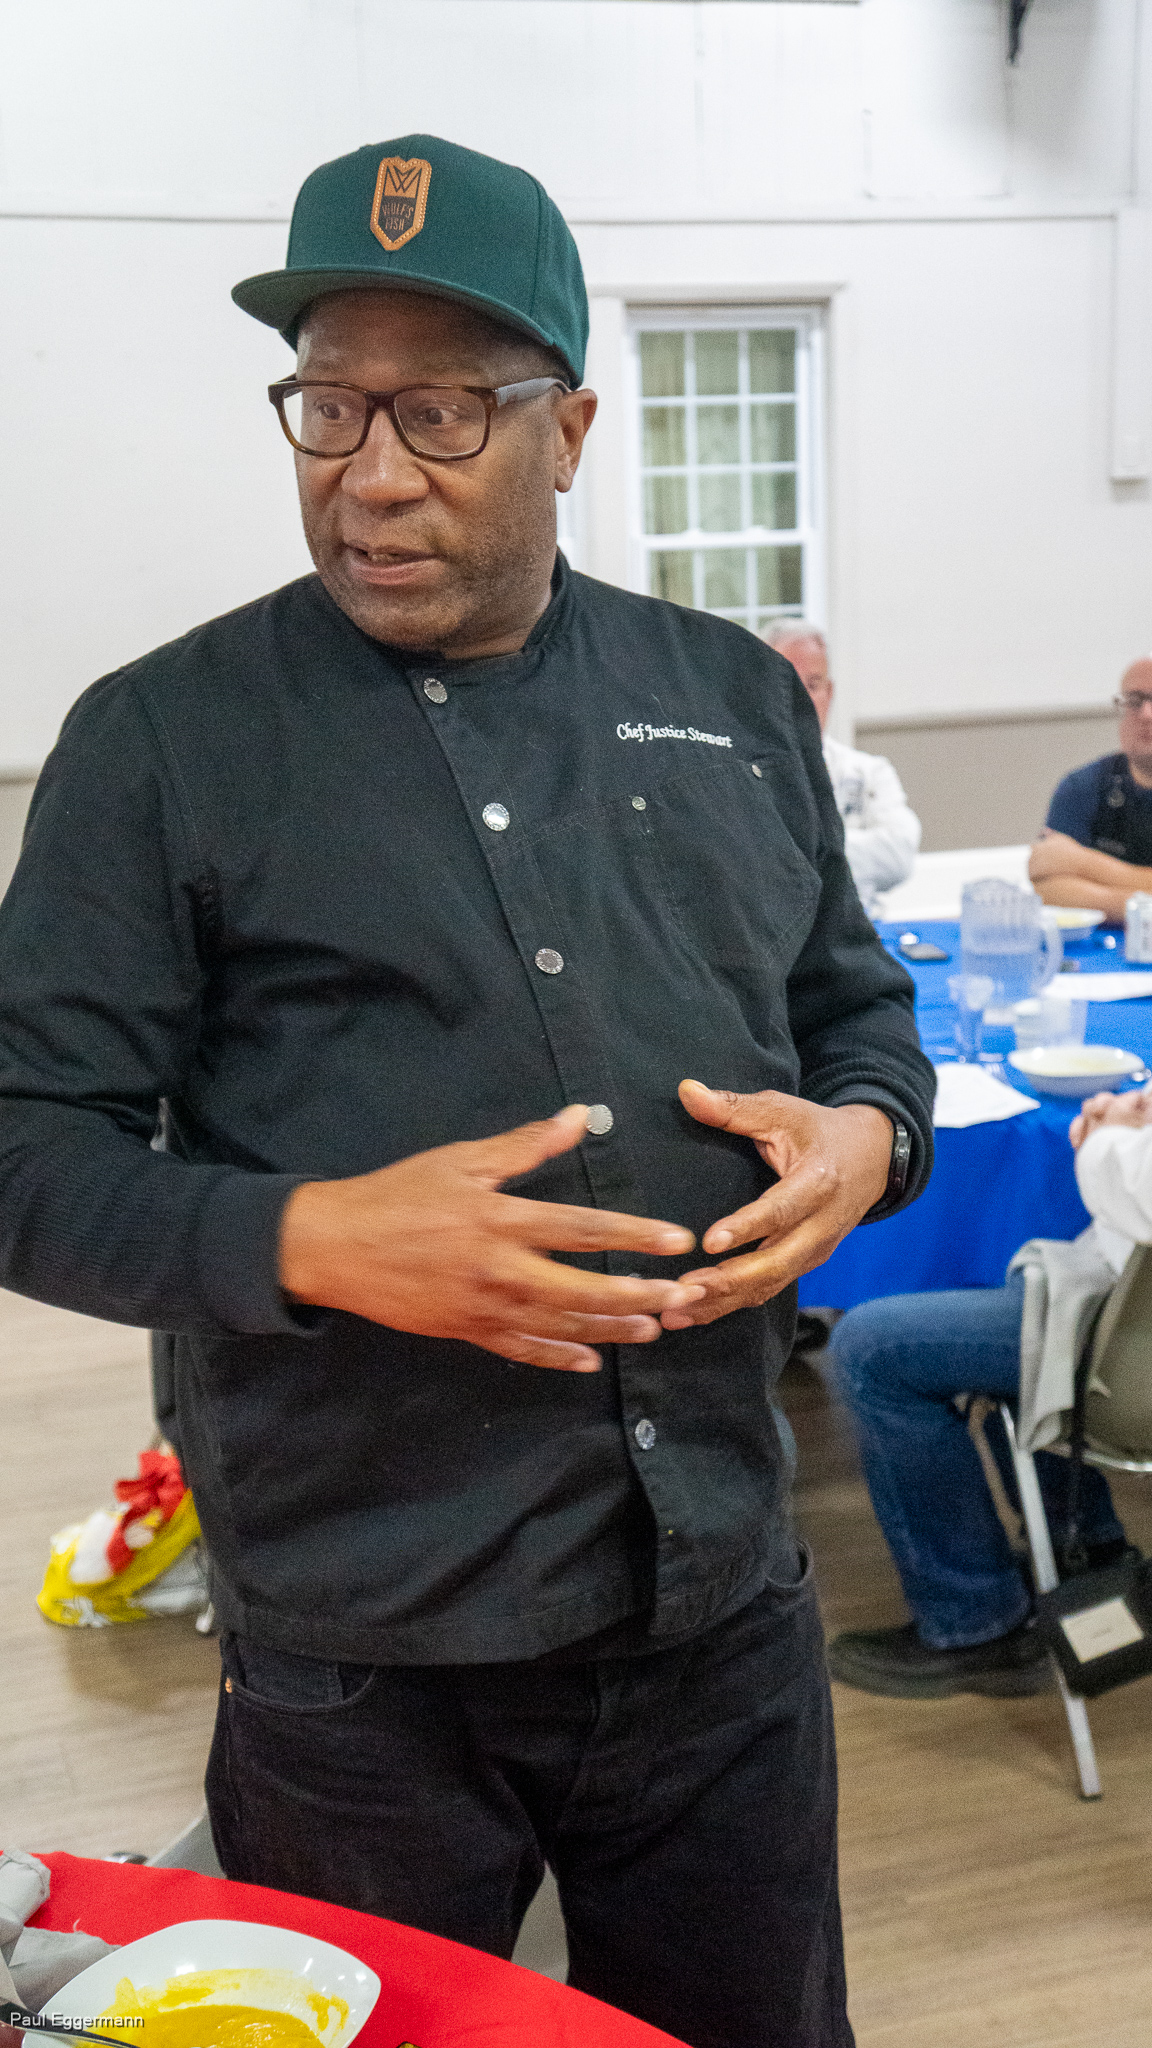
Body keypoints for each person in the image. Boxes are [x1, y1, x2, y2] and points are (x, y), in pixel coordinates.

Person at [0, 134, 936, 2048]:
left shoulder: (730, 696)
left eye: (438, 411)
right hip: (364, 1656)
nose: (369, 470)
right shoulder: (162, 742)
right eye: (328, 404)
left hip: (720, 1613)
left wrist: (868, 1135)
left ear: (566, 428)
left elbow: (857, 1015)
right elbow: (23, 1145)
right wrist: (310, 1237)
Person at [824, 1087, 1151, 1699]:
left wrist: (1107, 1133)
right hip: (1116, 1302)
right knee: (1000, 1291)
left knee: (869, 1350)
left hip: (1130, 1347)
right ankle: (1088, 1548)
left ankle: (975, 1624)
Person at [761, 620, 920, 915]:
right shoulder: (742, 772)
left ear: (829, 692)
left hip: (860, 929)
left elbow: (899, 856)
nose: (802, 698)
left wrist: (804, 847)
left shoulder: (869, 772)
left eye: (813, 685)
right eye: (789, 683)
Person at [1030, 656, 1152, 921]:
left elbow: (1064, 867)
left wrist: (1083, 863)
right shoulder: (1083, 787)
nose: (1146, 714)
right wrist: (1140, 902)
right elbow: (1047, 887)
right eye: (1134, 701)